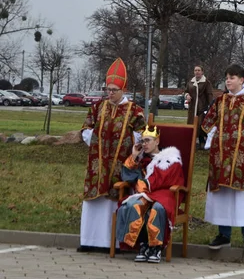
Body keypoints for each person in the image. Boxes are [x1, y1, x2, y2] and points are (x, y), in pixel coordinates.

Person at [202, 63, 244, 253]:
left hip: (242, 158)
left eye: (232, 78)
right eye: (227, 78)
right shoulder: (220, 101)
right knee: (223, 195)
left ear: (242, 80)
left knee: (243, 197)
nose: (228, 81)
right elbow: (210, 124)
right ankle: (223, 235)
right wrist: (213, 141)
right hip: (221, 156)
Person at [79, 58, 146, 251]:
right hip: (98, 163)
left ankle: (113, 242)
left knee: (113, 199)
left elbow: (141, 135)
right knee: (95, 201)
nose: (110, 93)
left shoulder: (134, 111)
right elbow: (86, 128)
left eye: (114, 90)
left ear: (123, 89)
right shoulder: (98, 107)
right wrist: (95, 137)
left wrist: (134, 146)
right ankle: (89, 241)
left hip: (119, 164)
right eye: (107, 89)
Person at [116, 125, 184, 263]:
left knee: (157, 208)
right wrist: (134, 156)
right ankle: (143, 245)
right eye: (142, 141)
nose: (144, 144)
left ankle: (156, 247)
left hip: (165, 194)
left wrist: (145, 185)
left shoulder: (170, 159)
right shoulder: (143, 161)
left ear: (157, 141)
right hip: (147, 194)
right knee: (133, 205)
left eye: (147, 140)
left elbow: (171, 180)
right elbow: (128, 178)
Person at [184, 64, 213, 149]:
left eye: (198, 70)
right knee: (191, 125)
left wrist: (210, 107)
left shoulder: (206, 82)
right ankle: (192, 142)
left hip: (202, 108)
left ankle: (202, 142)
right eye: (195, 70)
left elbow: (209, 95)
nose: (197, 72)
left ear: (202, 72)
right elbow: (186, 91)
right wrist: (187, 96)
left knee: (200, 126)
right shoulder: (190, 82)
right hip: (192, 108)